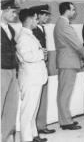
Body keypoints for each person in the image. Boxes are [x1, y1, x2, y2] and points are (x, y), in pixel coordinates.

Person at [53, 2, 84, 130]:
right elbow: (77, 44)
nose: (75, 12)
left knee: (63, 92)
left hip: (66, 62)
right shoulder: (64, 25)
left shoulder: (61, 24)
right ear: (66, 11)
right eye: (73, 10)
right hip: (68, 62)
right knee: (65, 93)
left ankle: (65, 120)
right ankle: (66, 122)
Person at [16, 9, 48, 142]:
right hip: (30, 78)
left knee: (33, 110)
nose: (37, 21)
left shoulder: (29, 34)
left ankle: (34, 135)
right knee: (27, 111)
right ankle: (27, 138)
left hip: (35, 77)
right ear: (29, 20)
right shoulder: (23, 36)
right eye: (35, 19)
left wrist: (41, 52)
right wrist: (42, 54)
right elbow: (26, 56)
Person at [28, 5, 55, 136]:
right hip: (36, 68)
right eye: (44, 14)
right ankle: (38, 126)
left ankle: (41, 125)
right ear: (36, 16)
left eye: (47, 15)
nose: (47, 17)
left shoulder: (41, 28)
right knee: (37, 98)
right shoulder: (33, 30)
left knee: (42, 97)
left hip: (42, 66)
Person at [1, 0, 19, 142]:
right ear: (4, 10)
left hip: (12, 71)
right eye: (13, 12)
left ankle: (7, 138)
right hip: (1, 71)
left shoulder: (11, 29)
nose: (15, 15)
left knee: (11, 107)